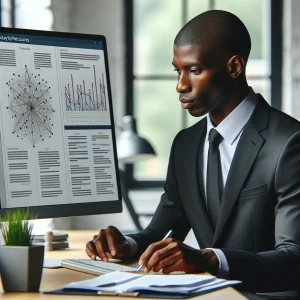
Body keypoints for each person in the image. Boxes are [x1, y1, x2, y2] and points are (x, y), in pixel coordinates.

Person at [86, 10, 300, 297]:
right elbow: (159, 232)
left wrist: (211, 259)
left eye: (194, 70)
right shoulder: (185, 144)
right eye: (178, 70)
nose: (180, 85)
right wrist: (125, 244)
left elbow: (294, 257)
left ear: (234, 67)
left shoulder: (289, 141)